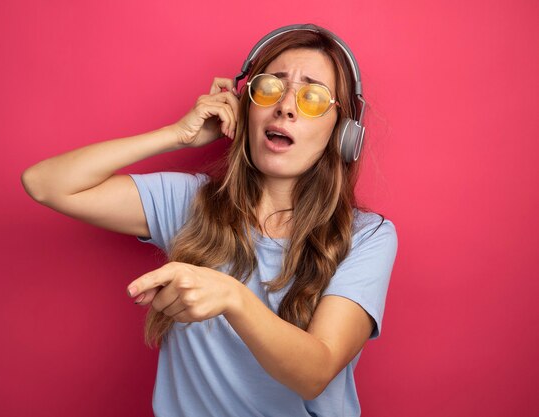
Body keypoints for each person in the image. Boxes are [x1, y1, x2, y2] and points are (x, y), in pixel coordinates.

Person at [22, 24, 398, 417]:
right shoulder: (189, 203)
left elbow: (315, 373)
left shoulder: (367, 237)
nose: (286, 106)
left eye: (313, 96)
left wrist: (231, 297)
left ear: (343, 133)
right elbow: (46, 184)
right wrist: (176, 135)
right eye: (271, 87)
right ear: (245, 108)